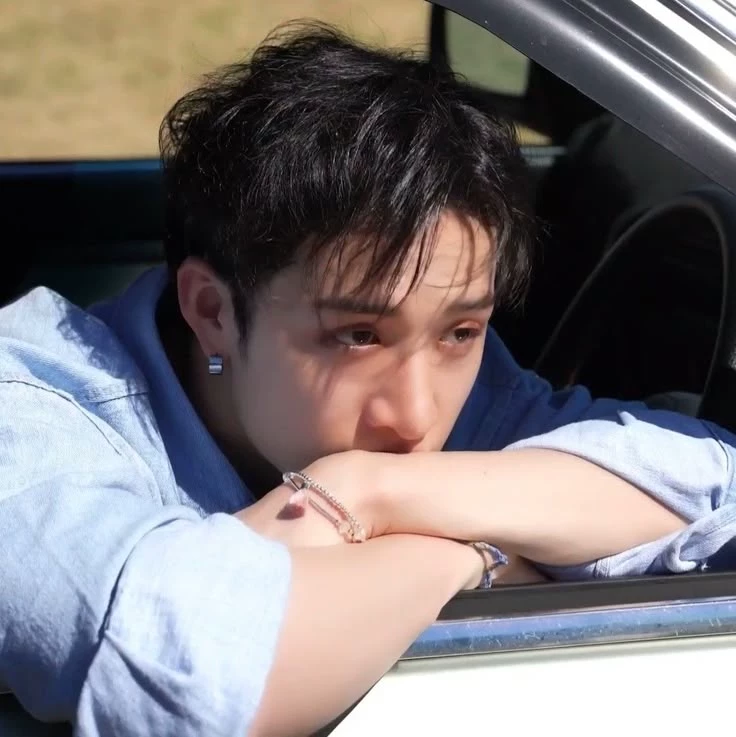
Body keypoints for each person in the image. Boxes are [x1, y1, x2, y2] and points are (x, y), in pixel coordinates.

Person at [1, 21, 735, 737]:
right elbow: (190, 681)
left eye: (461, 330)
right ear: (212, 312)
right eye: (357, 336)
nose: (415, 414)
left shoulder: (456, 390)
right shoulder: (28, 412)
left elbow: (711, 481)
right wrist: (463, 555)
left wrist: (368, 491)